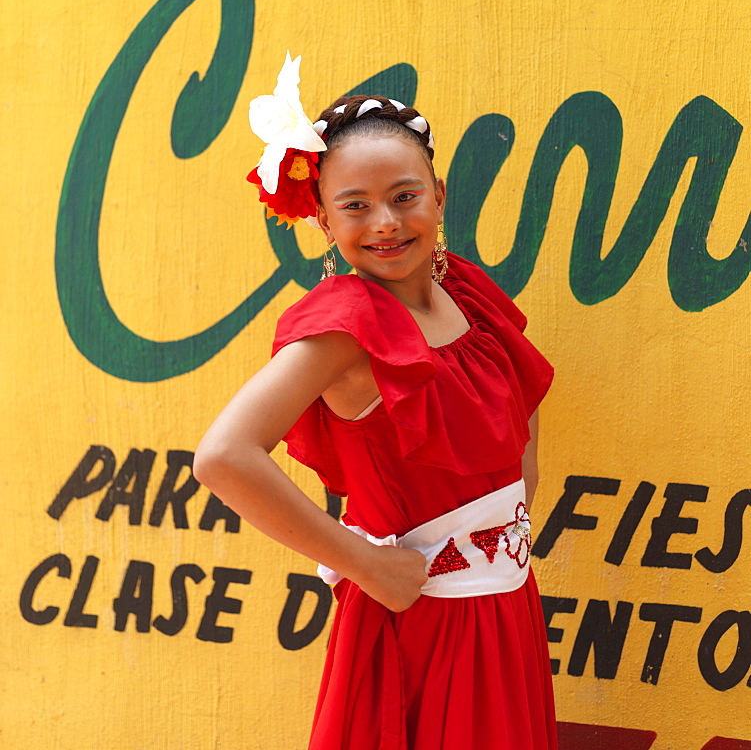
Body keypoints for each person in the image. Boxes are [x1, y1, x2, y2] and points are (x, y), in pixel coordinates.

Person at [193, 54, 557, 750]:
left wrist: (501, 535)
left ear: (439, 196)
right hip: (417, 620)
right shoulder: (343, 330)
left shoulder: (469, 294)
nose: (384, 222)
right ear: (324, 222)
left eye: (404, 196)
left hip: (504, 607)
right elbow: (223, 457)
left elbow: (520, 410)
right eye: (355, 206)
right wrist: (363, 564)